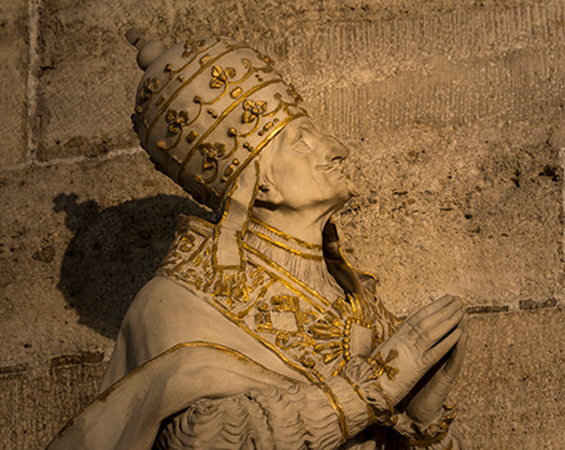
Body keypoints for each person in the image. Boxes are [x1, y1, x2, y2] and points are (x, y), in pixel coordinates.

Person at [46, 34, 468, 450]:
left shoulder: (358, 301)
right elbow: (201, 439)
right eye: (302, 140)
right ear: (263, 185)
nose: (337, 149)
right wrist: (373, 389)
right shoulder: (179, 304)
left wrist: (421, 421)